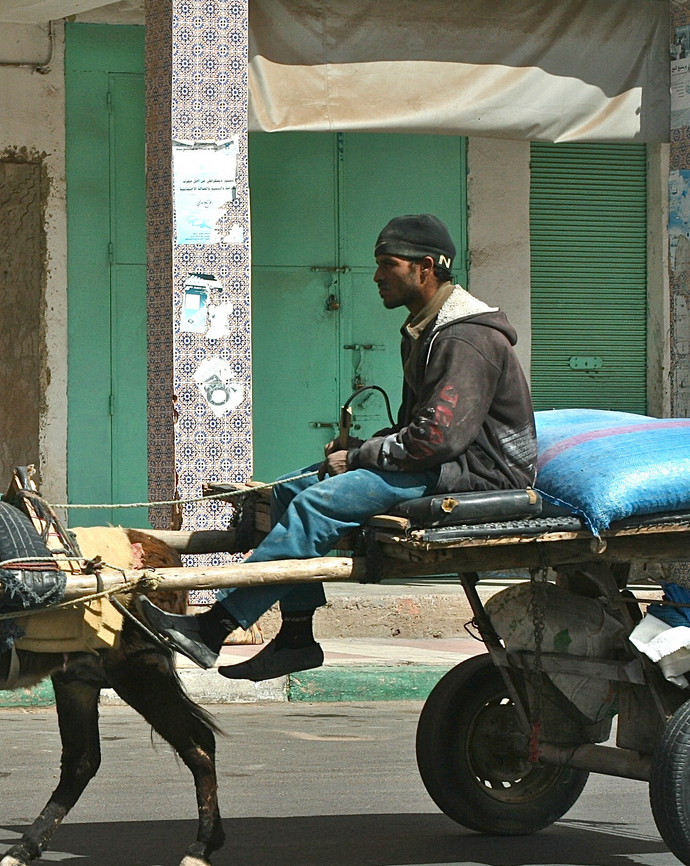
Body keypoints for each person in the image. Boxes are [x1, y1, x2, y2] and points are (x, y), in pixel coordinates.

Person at [139, 214, 537, 681]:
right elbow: (422, 428)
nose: (376, 277)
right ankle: (296, 639)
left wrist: (360, 456)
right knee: (288, 492)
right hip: (446, 462)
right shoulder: (424, 329)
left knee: (317, 504)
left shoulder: (466, 337)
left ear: (426, 267)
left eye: (389, 265)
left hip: (477, 474)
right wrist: (367, 446)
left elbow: (436, 438)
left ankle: (211, 629)